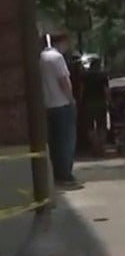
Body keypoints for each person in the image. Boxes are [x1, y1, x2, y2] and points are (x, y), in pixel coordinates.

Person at [39, 32, 81, 189]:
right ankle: (65, 175)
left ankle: (57, 174)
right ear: (61, 42)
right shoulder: (57, 58)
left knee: (55, 142)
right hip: (62, 104)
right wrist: (72, 100)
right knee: (67, 141)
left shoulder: (41, 58)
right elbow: (64, 81)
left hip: (47, 105)